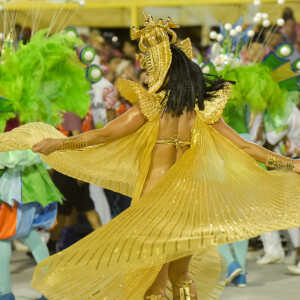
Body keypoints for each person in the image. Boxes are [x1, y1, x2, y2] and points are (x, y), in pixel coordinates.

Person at [1, 15, 300, 300]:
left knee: (153, 283)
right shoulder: (201, 111)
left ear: (162, 69)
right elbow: (246, 148)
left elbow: (104, 135)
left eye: (148, 66)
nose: (145, 73)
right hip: (190, 199)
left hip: (155, 201)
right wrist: (291, 164)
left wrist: (59, 144)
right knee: (182, 276)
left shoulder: (151, 107)